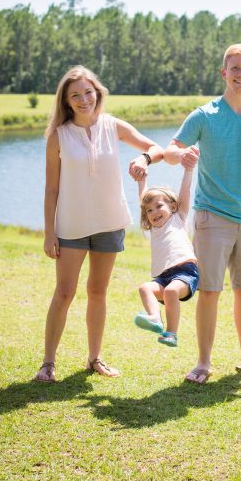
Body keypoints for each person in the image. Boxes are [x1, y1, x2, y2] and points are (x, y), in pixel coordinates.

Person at [164, 44, 241, 383]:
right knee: (211, 291)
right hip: (211, 216)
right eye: (235, 69)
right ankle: (203, 363)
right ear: (224, 72)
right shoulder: (204, 115)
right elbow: (172, 149)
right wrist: (182, 155)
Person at [35, 65, 163, 382]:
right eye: (75, 95)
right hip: (71, 225)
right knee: (64, 293)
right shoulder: (58, 136)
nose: (83, 99)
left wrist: (143, 159)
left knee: (98, 292)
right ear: (66, 101)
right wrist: (49, 232)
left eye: (87, 92)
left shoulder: (112, 125)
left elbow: (155, 148)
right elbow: (51, 189)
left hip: (109, 222)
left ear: (98, 93)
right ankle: (48, 363)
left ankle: (95, 358)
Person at [134, 151, 200, 348]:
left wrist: (188, 170)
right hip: (162, 277)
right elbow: (142, 199)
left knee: (171, 292)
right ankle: (155, 318)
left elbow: (185, 191)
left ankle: (171, 333)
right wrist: (141, 180)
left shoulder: (178, 217)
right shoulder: (154, 228)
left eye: (158, 206)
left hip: (185, 273)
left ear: (172, 206)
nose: (154, 212)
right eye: (149, 210)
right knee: (145, 288)